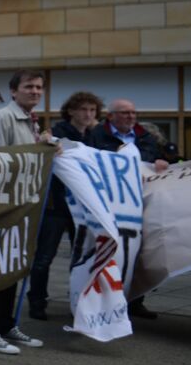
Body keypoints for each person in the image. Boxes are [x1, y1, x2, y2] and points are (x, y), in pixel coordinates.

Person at [0, 70, 47, 354]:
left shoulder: (31, 121)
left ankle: (5, 324)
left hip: (23, 205)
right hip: (4, 207)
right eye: (29, 86)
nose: (35, 92)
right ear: (13, 91)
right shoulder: (3, 118)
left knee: (13, 268)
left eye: (39, 87)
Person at [85, 98, 169, 319]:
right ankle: (99, 300)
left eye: (133, 112)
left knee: (137, 254)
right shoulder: (96, 136)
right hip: (110, 206)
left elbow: (155, 161)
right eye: (124, 113)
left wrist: (161, 161)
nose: (131, 116)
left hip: (138, 206)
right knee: (106, 252)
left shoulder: (146, 138)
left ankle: (133, 301)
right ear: (110, 116)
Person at [27, 90, 101, 320]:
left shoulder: (92, 136)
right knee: (44, 258)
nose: (88, 114)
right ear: (71, 111)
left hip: (80, 207)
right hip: (55, 206)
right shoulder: (58, 133)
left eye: (92, 110)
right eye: (83, 109)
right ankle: (37, 301)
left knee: (80, 258)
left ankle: (76, 298)